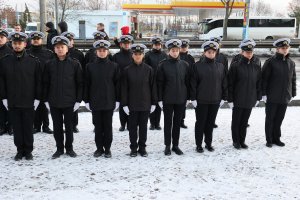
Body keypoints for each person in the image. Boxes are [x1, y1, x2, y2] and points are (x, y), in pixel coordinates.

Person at [0, 32, 42, 161]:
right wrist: (4, 98)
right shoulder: (5, 61)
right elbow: (1, 81)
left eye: (20, 43)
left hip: (29, 101)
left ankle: (28, 151)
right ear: (11, 44)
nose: (17, 45)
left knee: (28, 127)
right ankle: (19, 150)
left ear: (25, 44)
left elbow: (38, 81)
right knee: (17, 128)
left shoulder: (33, 61)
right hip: (13, 101)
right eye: (15, 43)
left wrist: (37, 98)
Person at [43, 36, 83, 159]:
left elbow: (80, 83)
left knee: (69, 127)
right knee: (57, 127)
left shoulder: (75, 64)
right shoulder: (49, 64)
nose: (60, 49)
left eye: (62, 47)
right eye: (57, 47)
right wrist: (45, 99)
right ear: (54, 49)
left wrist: (78, 100)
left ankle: (69, 148)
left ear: (67, 48)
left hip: (69, 101)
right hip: (54, 101)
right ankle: (59, 148)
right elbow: (45, 83)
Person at [84, 40, 120, 158]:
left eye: (104, 50)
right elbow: (87, 84)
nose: (102, 52)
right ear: (96, 52)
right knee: (98, 126)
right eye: (100, 51)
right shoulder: (90, 66)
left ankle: (108, 148)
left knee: (108, 126)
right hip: (95, 101)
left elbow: (117, 84)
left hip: (109, 101)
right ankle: (99, 148)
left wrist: (118, 100)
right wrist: (87, 100)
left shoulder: (114, 66)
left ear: (108, 52)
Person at [190, 41, 227, 153]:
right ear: (204, 53)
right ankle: (198, 144)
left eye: (213, 52)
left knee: (210, 123)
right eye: (209, 52)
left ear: (216, 53)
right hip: (201, 100)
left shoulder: (220, 66)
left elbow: (223, 83)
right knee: (200, 123)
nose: (211, 54)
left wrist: (223, 98)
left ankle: (208, 143)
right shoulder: (197, 66)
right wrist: (193, 98)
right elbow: (193, 83)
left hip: (215, 100)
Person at [121, 44, 157, 157]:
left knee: (143, 127)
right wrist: (124, 104)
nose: (137, 56)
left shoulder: (149, 69)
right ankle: (133, 148)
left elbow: (153, 87)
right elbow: (124, 88)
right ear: (132, 55)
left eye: (139, 54)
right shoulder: (126, 70)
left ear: (143, 55)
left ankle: (142, 148)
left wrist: (153, 102)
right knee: (132, 128)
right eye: (135, 54)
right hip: (132, 105)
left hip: (145, 104)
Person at [157, 39, 190, 156]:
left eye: (177, 50)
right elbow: (159, 83)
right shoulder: (163, 65)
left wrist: (188, 98)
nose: (175, 52)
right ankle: (167, 145)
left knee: (177, 123)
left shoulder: (185, 65)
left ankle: (175, 145)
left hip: (181, 99)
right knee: (167, 123)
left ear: (179, 50)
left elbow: (187, 82)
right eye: (173, 50)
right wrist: (160, 99)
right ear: (168, 51)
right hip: (167, 99)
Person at [262, 38, 297, 148]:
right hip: (272, 96)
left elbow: (293, 79)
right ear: (277, 49)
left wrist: (293, 93)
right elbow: (264, 79)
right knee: (270, 118)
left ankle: (277, 138)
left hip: (285, 96)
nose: (285, 50)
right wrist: (264, 94)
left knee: (279, 118)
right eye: (283, 48)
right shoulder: (270, 62)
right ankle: (269, 139)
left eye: (287, 48)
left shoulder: (291, 63)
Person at [228, 40, 262, 150]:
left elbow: (258, 83)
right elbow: (230, 83)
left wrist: (258, 97)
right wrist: (230, 99)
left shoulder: (256, 66)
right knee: (236, 121)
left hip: (250, 98)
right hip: (238, 98)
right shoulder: (235, 66)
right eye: (247, 52)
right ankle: (236, 141)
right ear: (242, 52)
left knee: (244, 122)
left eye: (251, 52)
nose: (249, 54)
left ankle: (242, 141)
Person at [27, 31, 54, 134]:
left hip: (45, 83)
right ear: (31, 40)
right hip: (31, 83)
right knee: (34, 105)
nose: (36, 41)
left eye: (38, 39)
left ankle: (46, 126)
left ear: (41, 40)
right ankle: (36, 126)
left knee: (44, 105)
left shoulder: (48, 53)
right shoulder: (27, 52)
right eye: (34, 39)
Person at [61, 31, 85, 133]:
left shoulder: (78, 54)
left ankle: (74, 125)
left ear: (72, 41)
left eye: (70, 40)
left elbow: (83, 68)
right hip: (62, 83)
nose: (69, 42)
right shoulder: (58, 53)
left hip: (74, 83)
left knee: (73, 108)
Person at [145, 36, 168, 131]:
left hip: (161, 81)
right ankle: (151, 123)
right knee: (151, 102)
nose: (157, 46)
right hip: (150, 80)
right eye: (156, 45)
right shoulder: (148, 55)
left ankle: (157, 123)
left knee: (159, 102)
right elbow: (146, 67)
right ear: (152, 45)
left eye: (159, 45)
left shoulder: (164, 55)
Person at [112, 35, 134, 132]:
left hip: (132, 84)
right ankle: (123, 124)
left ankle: (130, 123)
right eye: (124, 43)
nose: (126, 45)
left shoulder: (134, 55)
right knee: (122, 105)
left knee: (131, 104)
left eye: (128, 43)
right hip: (120, 83)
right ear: (121, 44)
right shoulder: (116, 56)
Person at [179, 39, 195, 129]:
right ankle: (176, 121)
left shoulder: (190, 58)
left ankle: (181, 121)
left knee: (183, 105)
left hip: (186, 83)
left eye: (185, 47)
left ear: (188, 47)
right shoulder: (177, 56)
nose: (184, 48)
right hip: (178, 83)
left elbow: (193, 72)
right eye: (182, 47)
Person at [0, 29, 13, 136]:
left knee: (9, 105)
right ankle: (2, 126)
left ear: (6, 39)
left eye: (2, 37)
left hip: (8, 82)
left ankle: (10, 126)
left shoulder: (10, 51)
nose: (0, 39)